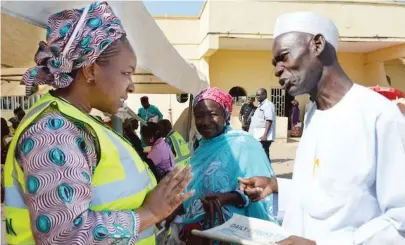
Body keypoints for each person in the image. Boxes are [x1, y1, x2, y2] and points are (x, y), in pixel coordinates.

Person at [3, 2, 193, 245]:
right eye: (126, 73)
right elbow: (65, 237)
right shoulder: (53, 131)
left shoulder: (74, 122)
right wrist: (149, 214)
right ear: (91, 70)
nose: (132, 86)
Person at [239, 11, 405, 245]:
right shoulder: (313, 115)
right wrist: (275, 186)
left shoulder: (379, 115)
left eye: (284, 57)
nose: (277, 70)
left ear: (317, 44)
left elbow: (400, 223)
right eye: (275, 63)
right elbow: (323, 196)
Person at [175, 87, 278, 243]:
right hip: (200, 234)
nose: (205, 121)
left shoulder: (244, 144)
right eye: (199, 116)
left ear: (226, 115)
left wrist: (229, 197)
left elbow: (261, 192)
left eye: (213, 114)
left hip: (235, 235)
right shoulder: (201, 148)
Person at [249, 88, 276, 159]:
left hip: (263, 137)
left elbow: (269, 120)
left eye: (258, 95)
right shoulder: (261, 105)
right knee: (260, 156)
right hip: (258, 135)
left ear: (264, 95)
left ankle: (267, 170)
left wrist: (265, 135)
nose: (256, 97)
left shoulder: (267, 105)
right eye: (256, 95)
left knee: (264, 156)